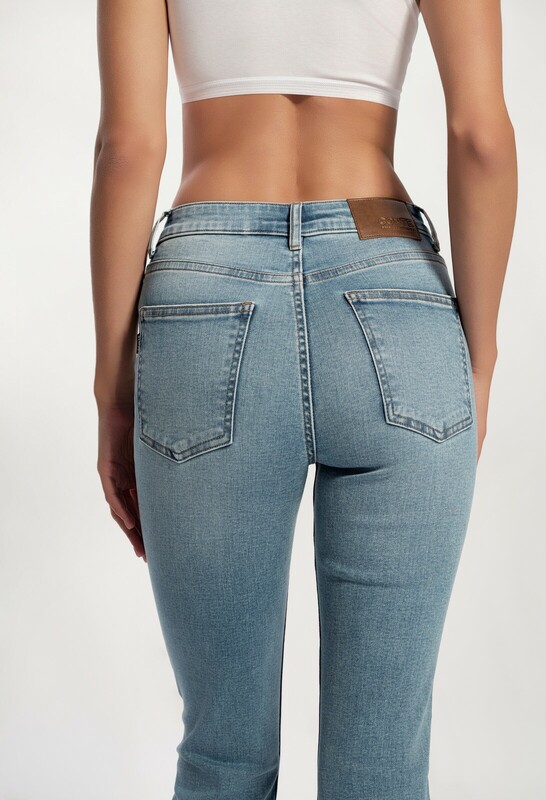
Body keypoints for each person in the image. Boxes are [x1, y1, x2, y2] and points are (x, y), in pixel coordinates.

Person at [90, 0, 517, 797]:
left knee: (220, 755)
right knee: (381, 763)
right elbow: (481, 137)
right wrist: (480, 362)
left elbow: (130, 146)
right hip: (388, 280)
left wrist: (113, 389)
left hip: (205, 291)